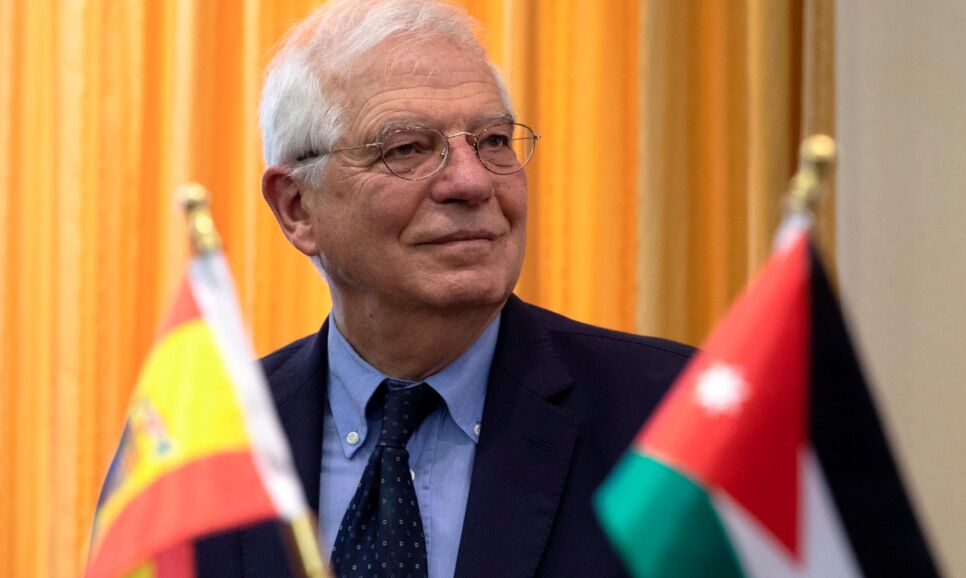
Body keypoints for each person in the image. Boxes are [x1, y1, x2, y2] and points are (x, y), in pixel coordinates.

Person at [197, 0, 695, 576]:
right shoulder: (203, 448)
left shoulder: (674, 420)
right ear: (297, 207)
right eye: (406, 148)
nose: (473, 181)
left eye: (493, 141)